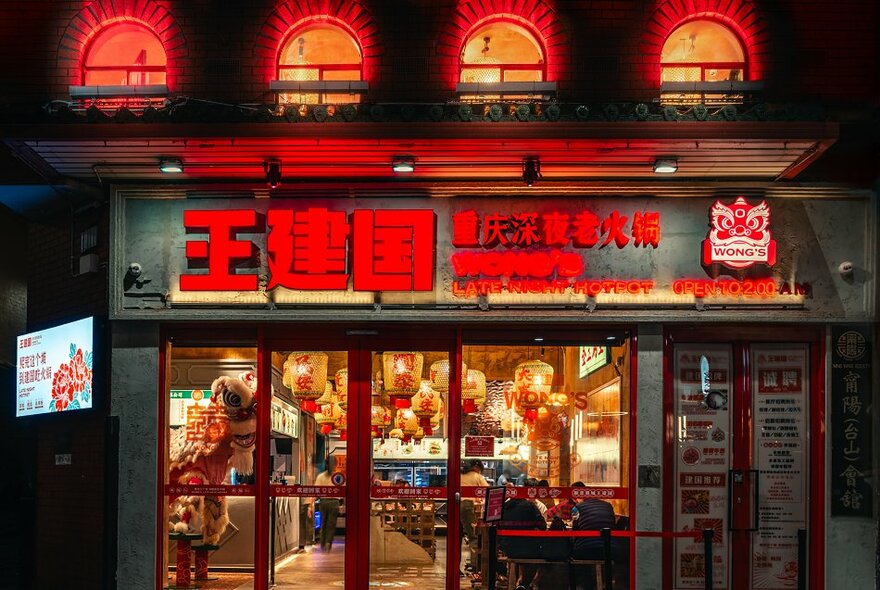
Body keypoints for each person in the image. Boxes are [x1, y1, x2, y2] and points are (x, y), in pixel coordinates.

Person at [499, 486, 547, 589]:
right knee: (541, 555)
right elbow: (542, 526)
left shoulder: (503, 506)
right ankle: (524, 584)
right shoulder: (529, 506)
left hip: (508, 548)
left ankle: (520, 583)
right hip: (528, 549)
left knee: (523, 551)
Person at [459, 459, 488, 574]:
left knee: (456, 539)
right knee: (474, 537)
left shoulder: (460, 476)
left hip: (455, 505)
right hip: (467, 506)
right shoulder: (477, 476)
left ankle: (455, 569)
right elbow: (487, 491)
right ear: (477, 468)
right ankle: (476, 566)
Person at [315, 455, 340, 551]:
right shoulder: (338, 476)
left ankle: (323, 542)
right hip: (334, 502)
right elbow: (342, 490)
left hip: (323, 501)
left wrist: (311, 503)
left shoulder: (320, 476)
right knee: (331, 524)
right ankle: (328, 542)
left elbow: (316, 490)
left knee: (323, 522)